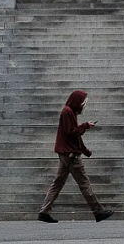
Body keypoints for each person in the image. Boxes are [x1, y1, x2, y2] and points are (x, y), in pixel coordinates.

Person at [37, 89, 113, 223]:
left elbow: (74, 136)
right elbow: (71, 133)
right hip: (71, 155)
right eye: (83, 103)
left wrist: (85, 150)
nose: (84, 106)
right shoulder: (67, 112)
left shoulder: (70, 112)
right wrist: (85, 126)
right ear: (77, 102)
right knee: (84, 183)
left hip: (66, 153)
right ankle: (98, 211)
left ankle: (44, 211)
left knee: (58, 183)